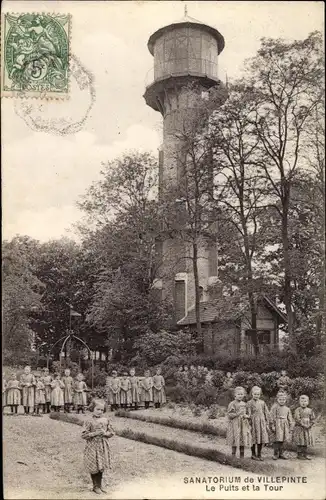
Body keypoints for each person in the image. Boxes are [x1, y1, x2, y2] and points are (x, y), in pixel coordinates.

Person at [82, 399, 114, 494]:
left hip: (102, 445)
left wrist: (105, 433)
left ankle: (99, 485)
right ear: (92, 409)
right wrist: (94, 434)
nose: (100, 412)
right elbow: (83, 435)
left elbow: (112, 432)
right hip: (92, 445)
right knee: (94, 465)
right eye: (97, 409)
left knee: (101, 465)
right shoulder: (88, 421)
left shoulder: (106, 420)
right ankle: (95, 486)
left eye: (102, 410)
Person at [226, 386, 251, 458]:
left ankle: (242, 455)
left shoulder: (244, 404)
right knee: (235, 437)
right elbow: (230, 415)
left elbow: (246, 413)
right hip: (235, 424)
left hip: (243, 424)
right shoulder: (232, 404)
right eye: (238, 394)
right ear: (235, 395)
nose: (240, 396)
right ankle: (233, 455)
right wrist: (237, 414)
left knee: (242, 437)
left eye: (241, 394)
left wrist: (246, 416)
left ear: (244, 395)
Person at [247, 386, 270, 460]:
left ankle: (259, 454)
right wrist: (249, 423)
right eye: (255, 394)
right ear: (252, 394)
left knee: (261, 438)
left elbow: (266, 413)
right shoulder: (249, 403)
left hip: (261, 422)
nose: (256, 396)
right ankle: (253, 454)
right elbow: (249, 414)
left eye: (258, 394)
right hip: (253, 422)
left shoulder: (262, 403)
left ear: (260, 395)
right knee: (253, 438)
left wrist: (267, 423)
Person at [270, 391, 294, 460]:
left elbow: (290, 418)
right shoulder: (275, 407)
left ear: (285, 400)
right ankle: (275, 454)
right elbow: (272, 417)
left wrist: (291, 427)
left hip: (285, 426)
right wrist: (273, 425)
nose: (282, 401)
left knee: (283, 440)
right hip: (278, 424)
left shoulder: (287, 409)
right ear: (277, 400)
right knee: (277, 440)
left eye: (283, 399)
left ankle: (281, 453)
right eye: (280, 399)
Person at [293, 395, 315, 460]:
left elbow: (313, 419)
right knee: (300, 440)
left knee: (306, 441)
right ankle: (299, 454)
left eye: (305, 401)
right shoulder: (297, 410)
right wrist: (303, 425)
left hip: (307, 428)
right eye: (301, 401)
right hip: (300, 428)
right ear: (299, 402)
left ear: (308, 402)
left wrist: (310, 425)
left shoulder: (310, 410)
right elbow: (297, 419)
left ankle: (305, 454)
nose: (303, 403)